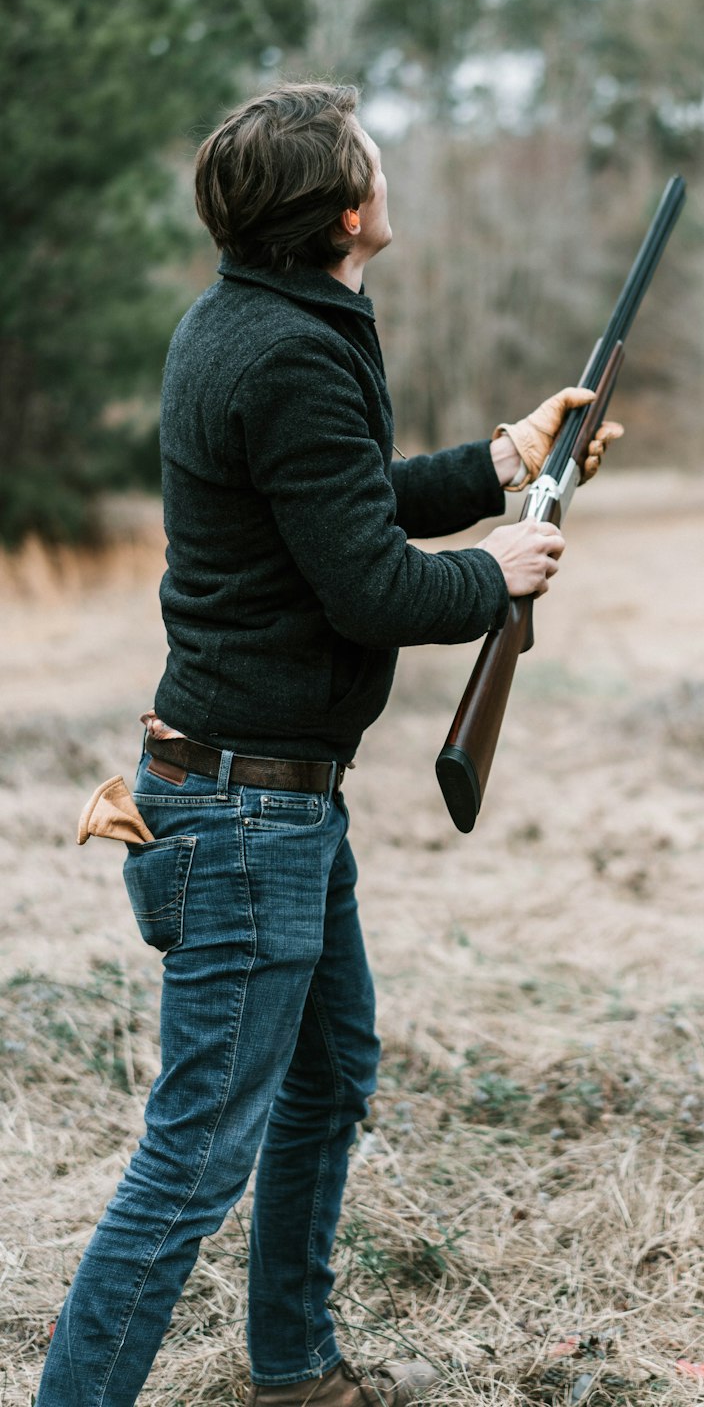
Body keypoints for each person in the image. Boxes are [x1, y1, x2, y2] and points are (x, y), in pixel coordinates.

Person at [38, 81, 622, 1407]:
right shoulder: (290, 349)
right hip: (247, 815)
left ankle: (293, 1368)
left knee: (331, 1066)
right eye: (370, 155)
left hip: (273, 795)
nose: (382, 168)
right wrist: (498, 574)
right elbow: (369, 584)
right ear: (346, 210)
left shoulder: (264, 320)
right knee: (191, 1159)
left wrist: (495, 463)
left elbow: (344, 506)